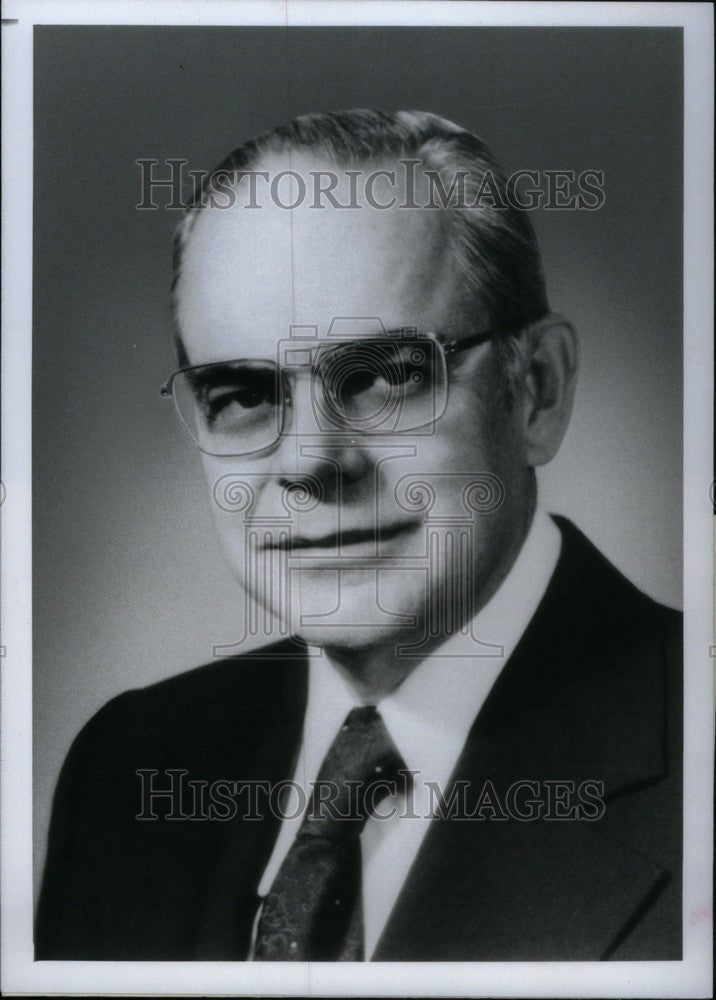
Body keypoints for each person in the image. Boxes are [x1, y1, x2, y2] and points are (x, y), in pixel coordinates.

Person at [36, 110, 682, 962]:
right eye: (243, 394)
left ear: (538, 391)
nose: (310, 462)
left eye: (381, 378)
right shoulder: (127, 770)